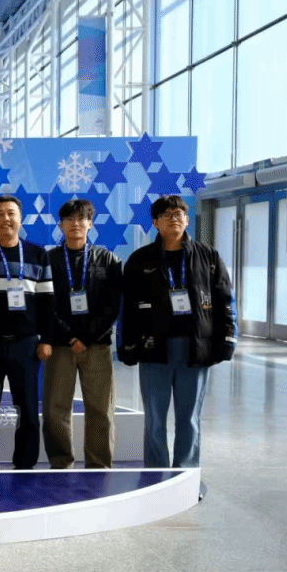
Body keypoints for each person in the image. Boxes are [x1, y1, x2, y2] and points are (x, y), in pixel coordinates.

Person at [119, 195, 236, 468]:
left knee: (189, 418)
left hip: (195, 348)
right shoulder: (140, 260)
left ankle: (185, 473)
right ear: (155, 222)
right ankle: (155, 472)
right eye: (167, 215)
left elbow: (225, 300)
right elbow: (128, 308)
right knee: (155, 420)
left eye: (179, 214)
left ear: (187, 219)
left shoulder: (208, 257)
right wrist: (127, 345)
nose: (174, 219)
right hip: (154, 349)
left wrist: (228, 338)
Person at [0, 195, 53, 469]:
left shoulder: (38, 254)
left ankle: (25, 464)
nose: (5, 218)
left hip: (26, 345)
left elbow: (47, 302)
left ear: (20, 218)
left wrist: (46, 339)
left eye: (11, 213)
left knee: (27, 408)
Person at [42, 199, 123, 469]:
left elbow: (113, 305)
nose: (75, 224)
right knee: (55, 409)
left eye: (81, 218)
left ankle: (99, 465)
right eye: (69, 219)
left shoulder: (108, 259)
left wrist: (87, 338)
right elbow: (46, 304)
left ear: (90, 223)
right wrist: (69, 337)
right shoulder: (49, 260)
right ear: (60, 225)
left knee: (100, 409)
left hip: (96, 346)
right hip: (60, 346)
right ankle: (60, 462)